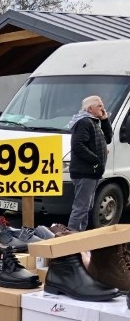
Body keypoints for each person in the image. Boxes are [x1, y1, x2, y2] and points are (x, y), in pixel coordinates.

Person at [67, 95, 112, 231]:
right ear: (90, 108)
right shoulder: (84, 122)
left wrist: (105, 121)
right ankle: (72, 235)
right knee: (81, 207)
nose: (103, 108)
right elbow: (77, 145)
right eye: (99, 105)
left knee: (86, 207)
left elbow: (108, 139)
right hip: (85, 172)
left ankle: (80, 235)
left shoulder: (94, 122)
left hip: (92, 173)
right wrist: (96, 159)